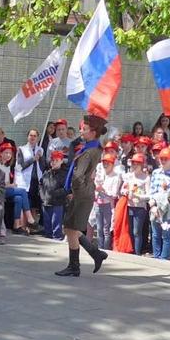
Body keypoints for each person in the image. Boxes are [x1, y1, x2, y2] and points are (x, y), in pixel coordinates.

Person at [55, 115, 109, 277]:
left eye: (84, 129)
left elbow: (78, 176)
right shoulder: (91, 147)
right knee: (71, 228)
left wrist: (72, 192)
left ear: (93, 132)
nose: (80, 131)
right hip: (84, 192)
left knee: (70, 228)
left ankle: (75, 265)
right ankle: (95, 254)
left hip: (81, 194)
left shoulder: (89, 151)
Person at [148, 148, 170, 260]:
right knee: (155, 234)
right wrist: (153, 206)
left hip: (168, 208)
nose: (163, 161)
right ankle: (156, 257)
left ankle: (163, 259)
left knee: (166, 234)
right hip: (156, 206)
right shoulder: (156, 172)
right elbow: (152, 191)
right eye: (161, 159)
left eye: (166, 159)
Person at [2, 142, 36, 235]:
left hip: (6, 190)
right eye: (6, 153)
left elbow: (8, 181)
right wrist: (11, 186)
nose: (8, 155)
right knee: (22, 191)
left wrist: (12, 184)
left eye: (10, 153)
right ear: (1, 153)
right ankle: (29, 217)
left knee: (19, 198)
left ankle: (16, 225)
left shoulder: (8, 166)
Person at [15, 128, 45, 231]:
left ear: (38, 138)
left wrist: (41, 158)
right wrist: (33, 159)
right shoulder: (21, 149)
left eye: (34, 136)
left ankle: (31, 227)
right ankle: (23, 226)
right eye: (30, 135)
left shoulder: (40, 150)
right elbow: (20, 166)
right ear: (27, 137)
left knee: (33, 204)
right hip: (25, 180)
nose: (32, 138)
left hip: (36, 180)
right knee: (25, 203)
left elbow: (43, 166)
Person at [121, 153, 151, 256]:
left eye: (137, 163)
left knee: (137, 231)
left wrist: (139, 197)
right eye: (133, 163)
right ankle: (131, 250)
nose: (134, 165)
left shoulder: (146, 178)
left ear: (142, 164)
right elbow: (122, 188)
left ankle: (137, 253)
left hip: (140, 207)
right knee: (130, 231)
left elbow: (148, 195)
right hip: (130, 206)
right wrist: (124, 192)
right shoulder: (129, 176)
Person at [95, 153, 121, 249]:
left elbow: (114, 194)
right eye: (104, 163)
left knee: (106, 229)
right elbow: (95, 189)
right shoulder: (101, 175)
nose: (105, 165)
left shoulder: (115, 177)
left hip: (108, 205)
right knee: (98, 228)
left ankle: (106, 249)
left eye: (108, 163)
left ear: (112, 164)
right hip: (98, 203)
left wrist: (102, 190)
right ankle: (99, 248)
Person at [40, 151, 68, 240]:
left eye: (56, 160)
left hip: (58, 203)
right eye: (52, 160)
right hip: (46, 202)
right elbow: (40, 184)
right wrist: (42, 195)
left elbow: (66, 188)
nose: (54, 162)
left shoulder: (64, 174)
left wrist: (54, 194)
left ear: (61, 161)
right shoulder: (46, 173)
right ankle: (48, 238)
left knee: (56, 224)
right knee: (47, 224)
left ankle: (57, 239)